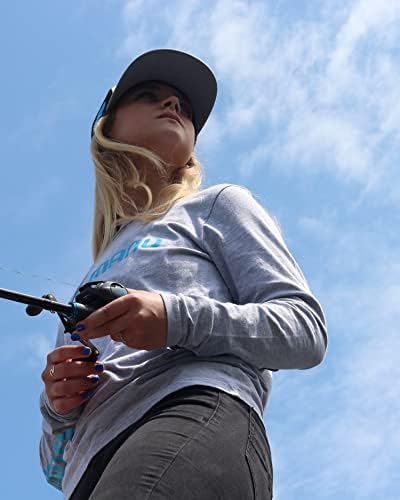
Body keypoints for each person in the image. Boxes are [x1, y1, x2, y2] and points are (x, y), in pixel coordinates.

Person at [39, 49, 328, 500]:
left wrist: (173, 317)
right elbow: (53, 467)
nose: (174, 104)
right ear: (105, 128)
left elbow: (304, 331)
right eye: (148, 94)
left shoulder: (217, 205)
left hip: (193, 408)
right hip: (88, 470)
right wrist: (58, 405)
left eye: (185, 107)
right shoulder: (89, 278)